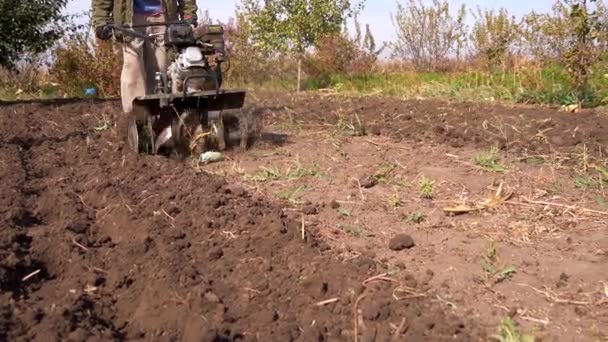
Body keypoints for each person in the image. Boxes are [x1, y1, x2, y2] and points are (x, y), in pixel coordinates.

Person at [92, 0, 198, 120]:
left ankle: (160, 119)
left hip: (163, 15)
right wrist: (101, 19)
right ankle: (135, 120)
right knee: (133, 68)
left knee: (159, 72)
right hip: (129, 17)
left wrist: (189, 14)